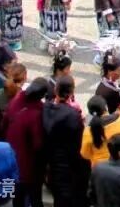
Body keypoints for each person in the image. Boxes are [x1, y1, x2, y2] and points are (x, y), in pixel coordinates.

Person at [3, 77, 47, 207]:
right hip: (28, 164)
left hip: (11, 158)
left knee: (17, 197)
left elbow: (3, 125)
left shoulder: (15, 102)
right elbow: (37, 144)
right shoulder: (35, 114)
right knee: (34, 196)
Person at [43, 76, 85, 207]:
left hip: (49, 161)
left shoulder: (46, 109)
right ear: (71, 92)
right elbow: (78, 144)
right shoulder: (73, 115)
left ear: (56, 90)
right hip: (66, 164)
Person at [81, 95, 120, 167]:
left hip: (100, 168)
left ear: (90, 113)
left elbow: (85, 154)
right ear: (106, 107)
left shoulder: (88, 131)